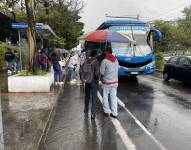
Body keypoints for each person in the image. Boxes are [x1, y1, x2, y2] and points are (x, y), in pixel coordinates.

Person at [100, 46, 119, 118]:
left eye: (105, 52)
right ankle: (115, 113)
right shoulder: (116, 60)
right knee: (114, 97)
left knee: (105, 97)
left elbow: (102, 72)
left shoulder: (104, 61)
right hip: (115, 82)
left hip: (107, 82)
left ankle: (106, 111)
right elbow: (117, 68)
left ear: (106, 52)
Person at [83, 50, 100, 119]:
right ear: (95, 55)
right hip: (94, 82)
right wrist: (98, 77)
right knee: (94, 97)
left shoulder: (86, 61)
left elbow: (82, 70)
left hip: (87, 81)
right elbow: (97, 73)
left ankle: (86, 109)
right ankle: (93, 113)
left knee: (87, 96)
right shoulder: (96, 62)